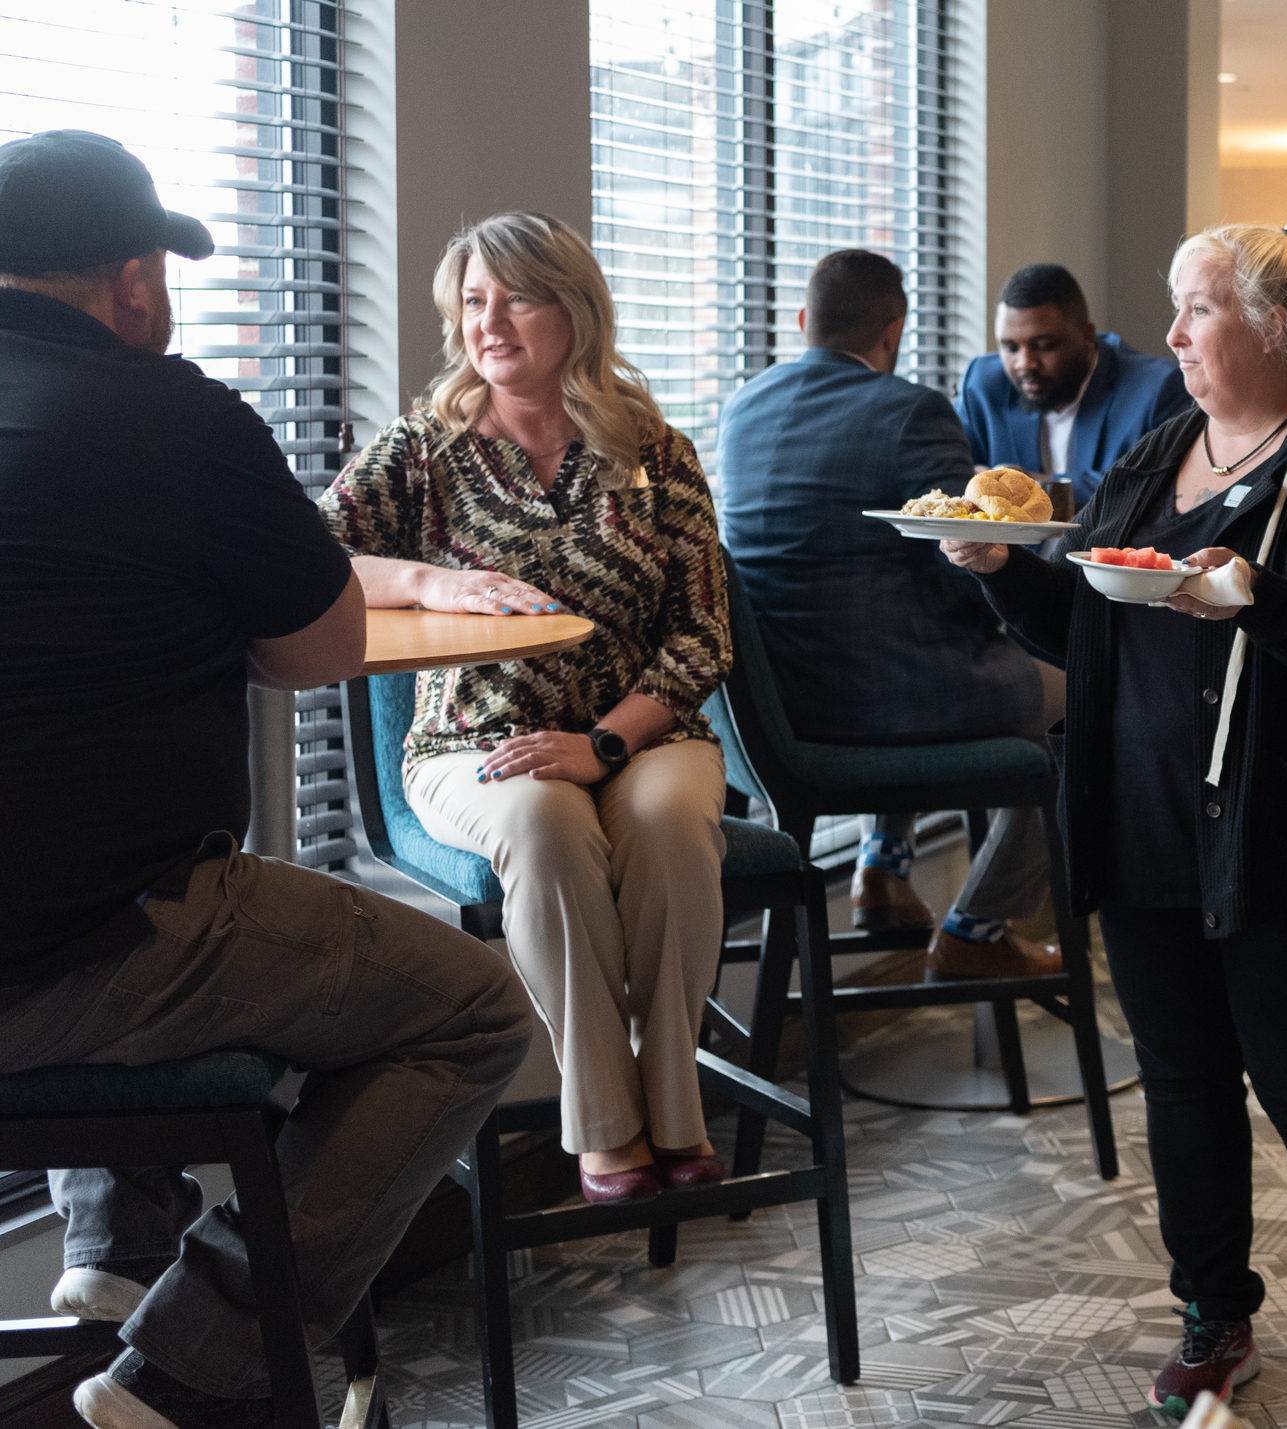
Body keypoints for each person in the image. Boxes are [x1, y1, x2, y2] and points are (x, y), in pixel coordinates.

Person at [0, 130, 532, 1429]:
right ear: (134, 281)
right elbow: (319, 652)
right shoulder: (171, 413)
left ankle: (116, 1257)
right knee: (465, 1007)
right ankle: (193, 1361)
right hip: (70, 960)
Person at [942, 222, 1287, 1418]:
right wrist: (998, 568)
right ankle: (1211, 1312)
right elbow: (1082, 623)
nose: (1172, 335)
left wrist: (1251, 594)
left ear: (1273, 331)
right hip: (1138, 819)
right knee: (1180, 1079)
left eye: (1197, 310)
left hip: (1284, 826)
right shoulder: (1155, 453)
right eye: (1173, 309)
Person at [319, 212, 733, 1204]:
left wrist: (602, 742)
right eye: (472, 301)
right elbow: (303, 558)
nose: (488, 322)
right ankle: (605, 1125)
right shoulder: (422, 451)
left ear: (575, 313)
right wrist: (425, 582)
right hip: (475, 739)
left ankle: (674, 1102)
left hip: (643, 729)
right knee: (543, 825)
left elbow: (701, 633)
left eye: (516, 297)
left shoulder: (654, 450)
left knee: (669, 821)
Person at [718, 249, 1063, 981]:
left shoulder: (741, 408)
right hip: (883, 704)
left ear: (804, 321)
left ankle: (882, 864)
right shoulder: (910, 410)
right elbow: (974, 554)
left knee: (887, 616)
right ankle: (977, 927)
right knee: (1097, 692)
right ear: (895, 330)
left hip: (772, 710)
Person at [956, 263, 1191, 506]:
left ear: (1087, 335)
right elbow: (949, 469)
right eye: (1010, 348)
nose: (1025, 364)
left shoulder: (1155, 389)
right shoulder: (982, 383)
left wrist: (1039, 488)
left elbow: (1148, 489)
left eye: (1044, 345)